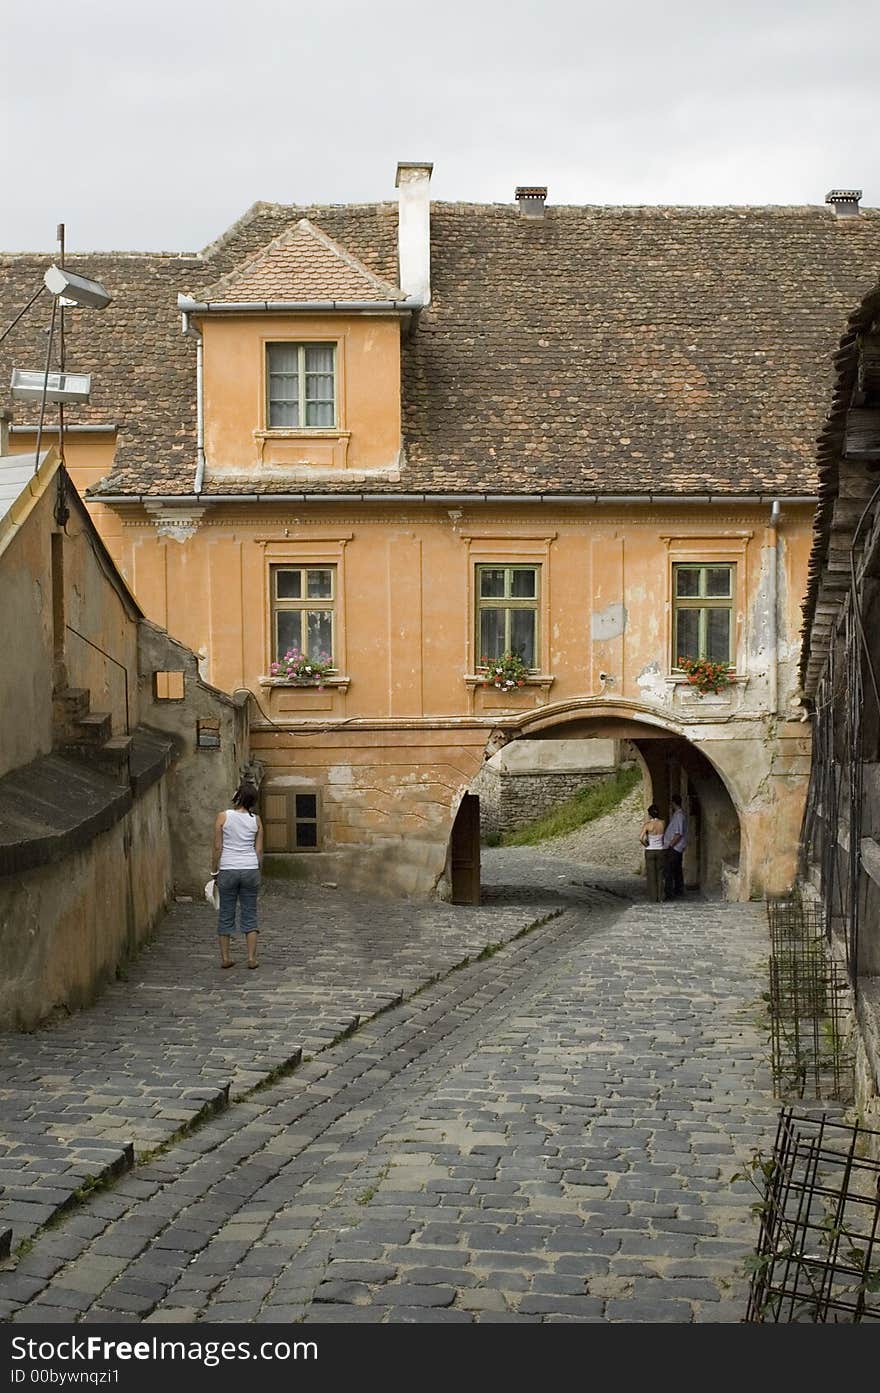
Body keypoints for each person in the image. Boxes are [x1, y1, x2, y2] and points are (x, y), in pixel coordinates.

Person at [212, 782, 263, 969]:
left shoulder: (223, 817)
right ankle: (251, 958)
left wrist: (214, 870)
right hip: (250, 868)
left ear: (237, 796)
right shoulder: (256, 820)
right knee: (249, 913)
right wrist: (257, 871)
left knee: (226, 912)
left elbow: (218, 847)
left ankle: (226, 957)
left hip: (228, 868)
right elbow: (258, 850)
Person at [639, 803, 666, 902]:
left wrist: (646, 845)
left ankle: (653, 897)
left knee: (651, 874)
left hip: (650, 850)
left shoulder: (647, 825)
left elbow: (640, 838)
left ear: (650, 814)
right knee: (660, 873)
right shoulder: (662, 823)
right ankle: (661, 896)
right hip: (660, 850)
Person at [663, 793, 688, 899]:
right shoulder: (679, 815)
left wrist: (670, 845)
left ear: (673, 803)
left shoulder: (678, 816)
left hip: (675, 848)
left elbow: (678, 833)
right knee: (677, 870)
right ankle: (678, 890)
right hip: (677, 847)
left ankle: (670, 892)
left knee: (669, 870)